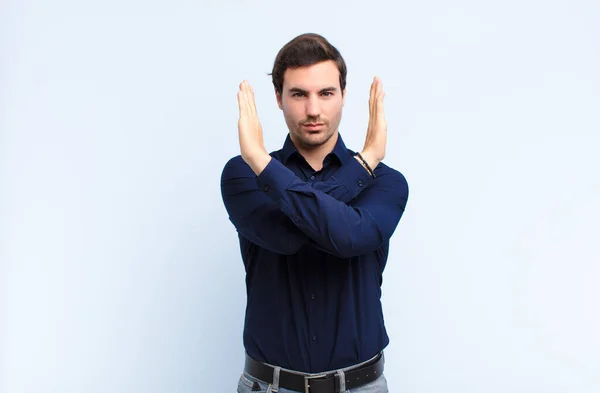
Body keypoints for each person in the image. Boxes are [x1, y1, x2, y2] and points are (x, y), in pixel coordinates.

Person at [220, 33, 409, 393]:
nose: (313, 110)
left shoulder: (386, 183)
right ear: (278, 98)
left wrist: (367, 166)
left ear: (343, 96)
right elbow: (287, 237)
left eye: (325, 93)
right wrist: (363, 163)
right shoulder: (244, 174)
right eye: (298, 94)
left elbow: (349, 237)